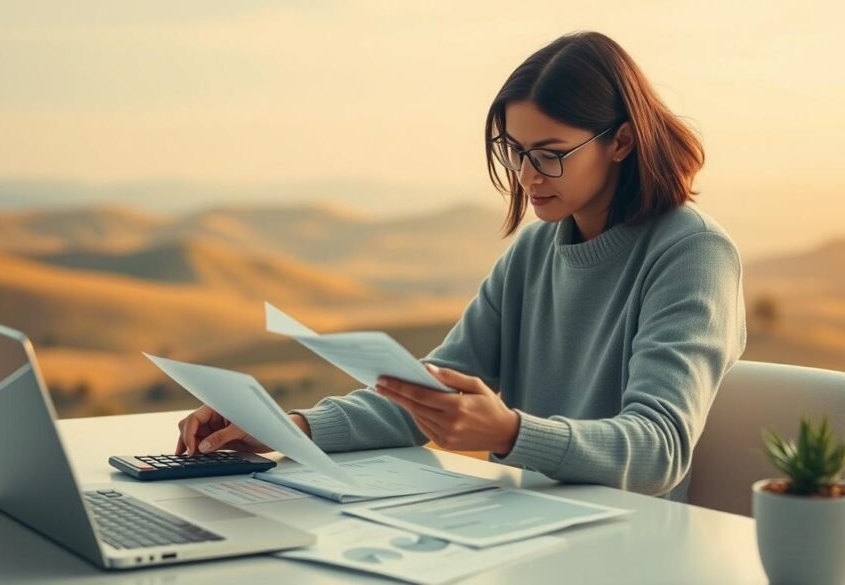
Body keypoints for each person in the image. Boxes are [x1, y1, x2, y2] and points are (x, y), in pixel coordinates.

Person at [174, 30, 747, 502]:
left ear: (620, 141)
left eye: (549, 154)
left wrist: (509, 432)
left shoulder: (691, 253)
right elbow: (420, 394)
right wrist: (285, 429)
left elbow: (659, 449)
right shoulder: (533, 252)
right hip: (530, 525)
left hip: (635, 544)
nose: (526, 176)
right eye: (514, 150)